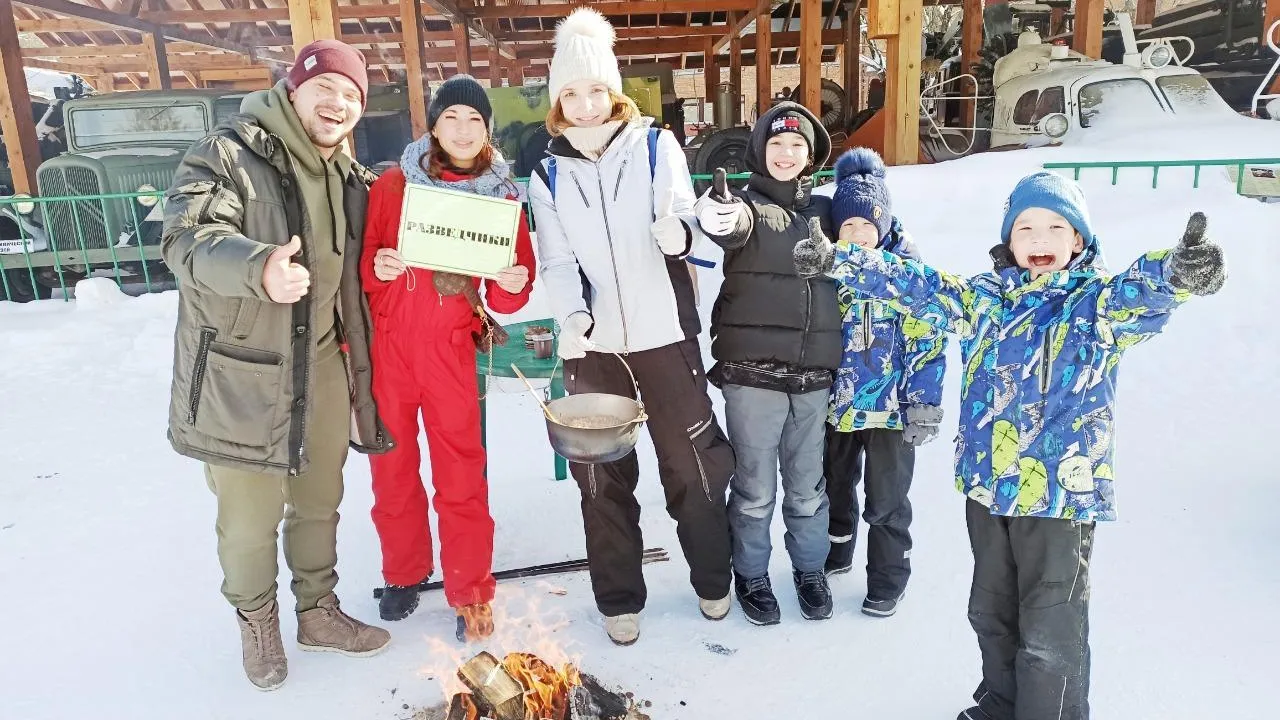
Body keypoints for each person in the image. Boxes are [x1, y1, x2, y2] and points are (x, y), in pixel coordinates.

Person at [795, 172, 1227, 720]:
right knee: (991, 610)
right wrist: (841, 260)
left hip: (1057, 498)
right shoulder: (984, 299)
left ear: (1078, 241)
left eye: (1054, 226)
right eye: (1025, 226)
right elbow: (919, 286)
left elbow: (1145, 289)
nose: (1039, 238)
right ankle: (1001, 703)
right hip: (988, 486)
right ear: (1009, 239)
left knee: (1052, 624)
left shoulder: (1097, 306)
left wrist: (1182, 271)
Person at [161, 40, 393, 691]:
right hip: (244, 372)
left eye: (352, 95)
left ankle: (318, 612)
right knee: (249, 517)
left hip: (321, 363)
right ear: (294, 88)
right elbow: (186, 239)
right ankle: (257, 620)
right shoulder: (227, 153)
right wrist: (256, 266)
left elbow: (363, 250)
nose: (338, 103)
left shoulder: (345, 174)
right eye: (327, 88)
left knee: (320, 500)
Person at [528, 7, 735, 646]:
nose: (585, 106)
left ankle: (712, 579)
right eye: (571, 93)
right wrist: (572, 316)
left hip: (664, 335)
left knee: (693, 463)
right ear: (558, 100)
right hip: (596, 349)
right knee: (602, 476)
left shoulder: (654, 145)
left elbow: (684, 217)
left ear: (613, 91)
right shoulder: (547, 172)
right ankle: (619, 597)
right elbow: (558, 261)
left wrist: (681, 232)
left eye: (595, 91)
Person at [359, 74, 535, 640]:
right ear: (433, 125)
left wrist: (511, 280)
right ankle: (404, 572)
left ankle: (470, 587)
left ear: (488, 130)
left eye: (474, 120)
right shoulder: (391, 186)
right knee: (391, 467)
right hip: (389, 344)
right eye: (450, 118)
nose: (462, 130)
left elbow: (511, 289)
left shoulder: (504, 197)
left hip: (450, 347)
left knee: (461, 470)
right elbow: (364, 261)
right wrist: (378, 269)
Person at [691, 101, 840, 625]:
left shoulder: (827, 211)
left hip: (814, 373)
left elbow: (872, 236)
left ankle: (809, 571)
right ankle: (751, 574)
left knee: (807, 486)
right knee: (755, 487)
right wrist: (718, 214)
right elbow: (727, 223)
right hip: (753, 372)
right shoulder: (750, 206)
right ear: (760, 151)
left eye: (796, 145)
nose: (786, 153)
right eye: (776, 144)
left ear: (812, 153)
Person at [820, 148, 947, 619]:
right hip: (839, 405)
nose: (857, 237)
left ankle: (888, 577)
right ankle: (837, 550)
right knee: (835, 485)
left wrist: (923, 404)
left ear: (885, 228)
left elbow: (928, 343)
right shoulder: (828, 274)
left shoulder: (907, 279)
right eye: (847, 227)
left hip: (893, 411)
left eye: (867, 227)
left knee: (888, 498)